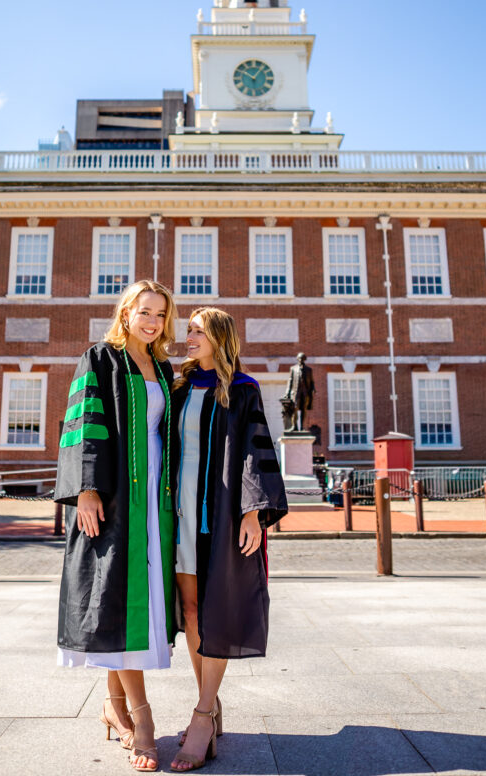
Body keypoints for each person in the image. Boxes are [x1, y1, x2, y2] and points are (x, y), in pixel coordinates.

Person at [54, 279, 179, 772]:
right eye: (145, 311)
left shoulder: (163, 367)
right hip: (116, 494)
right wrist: (86, 489)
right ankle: (142, 721)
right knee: (117, 599)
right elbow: (85, 424)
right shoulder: (100, 359)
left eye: (161, 315)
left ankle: (112, 706)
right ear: (126, 312)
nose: (152, 321)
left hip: (156, 494)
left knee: (132, 599)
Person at [169, 307, 288, 772]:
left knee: (216, 608)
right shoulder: (178, 388)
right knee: (193, 611)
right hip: (177, 516)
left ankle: (201, 715)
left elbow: (256, 451)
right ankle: (211, 704)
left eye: (197, 331)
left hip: (219, 517)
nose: (189, 336)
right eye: (190, 330)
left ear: (219, 338)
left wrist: (254, 512)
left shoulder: (242, 389)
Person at [284, 352, 315, 431]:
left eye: (302, 358)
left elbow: (311, 382)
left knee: (303, 410)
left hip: (305, 393)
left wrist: (313, 389)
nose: (301, 360)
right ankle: (294, 427)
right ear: (297, 359)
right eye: (299, 358)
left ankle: (302, 427)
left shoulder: (309, 370)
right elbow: (290, 381)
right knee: (295, 409)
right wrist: (287, 392)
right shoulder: (293, 369)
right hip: (295, 393)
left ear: (305, 359)